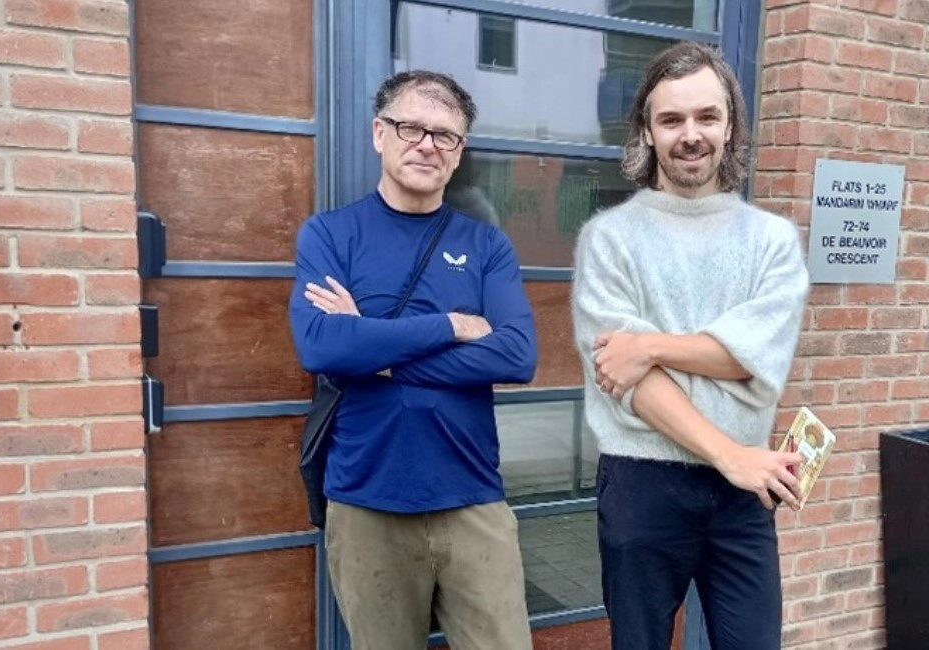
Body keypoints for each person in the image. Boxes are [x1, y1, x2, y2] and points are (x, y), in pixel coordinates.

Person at [571, 42, 810, 649]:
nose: (690, 134)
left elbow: (753, 355)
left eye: (707, 116)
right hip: (643, 482)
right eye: (671, 119)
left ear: (731, 126)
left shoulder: (772, 242)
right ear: (646, 132)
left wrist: (648, 344)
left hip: (742, 492)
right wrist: (729, 452)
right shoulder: (609, 240)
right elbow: (628, 381)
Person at [288, 70, 536, 650]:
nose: (426, 143)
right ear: (379, 133)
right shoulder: (330, 235)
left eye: (444, 135)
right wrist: (450, 326)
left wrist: (376, 350)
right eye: (410, 127)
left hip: (472, 498)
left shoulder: (486, 246)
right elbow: (321, 348)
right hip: (366, 504)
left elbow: (517, 354)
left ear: (459, 153)